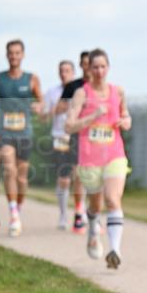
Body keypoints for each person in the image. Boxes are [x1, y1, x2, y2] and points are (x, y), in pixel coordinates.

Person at [65, 48, 132, 269]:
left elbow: (126, 116)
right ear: (89, 69)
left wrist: (125, 122)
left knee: (113, 199)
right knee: (96, 205)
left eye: (103, 66)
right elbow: (69, 125)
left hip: (114, 154)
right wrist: (93, 116)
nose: (99, 71)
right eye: (95, 67)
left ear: (108, 68)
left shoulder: (118, 92)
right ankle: (93, 225)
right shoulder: (81, 94)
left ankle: (115, 250)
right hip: (90, 158)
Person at [0, 39, 43, 237]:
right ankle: (13, 213)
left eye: (17, 53)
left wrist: (39, 106)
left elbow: (40, 101)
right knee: (8, 168)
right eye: (11, 53)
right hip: (4, 131)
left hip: (24, 132)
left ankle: (18, 208)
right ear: (6, 55)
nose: (14, 56)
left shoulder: (32, 79)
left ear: (23, 55)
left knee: (22, 177)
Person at [58, 50, 91, 232]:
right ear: (81, 65)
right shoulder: (73, 86)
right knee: (78, 173)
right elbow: (59, 108)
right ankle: (79, 212)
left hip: (96, 136)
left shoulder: (101, 87)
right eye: (85, 63)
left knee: (95, 176)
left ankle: (91, 212)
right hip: (78, 134)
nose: (89, 67)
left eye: (91, 63)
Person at [43, 60, 78, 229]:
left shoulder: (81, 91)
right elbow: (44, 116)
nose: (64, 73)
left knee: (79, 175)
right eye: (61, 70)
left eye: (67, 70)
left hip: (78, 137)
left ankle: (80, 211)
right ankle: (63, 215)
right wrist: (57, 109)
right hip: (59, 137)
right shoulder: (52, 92)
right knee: (64, 179)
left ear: (73, 72)